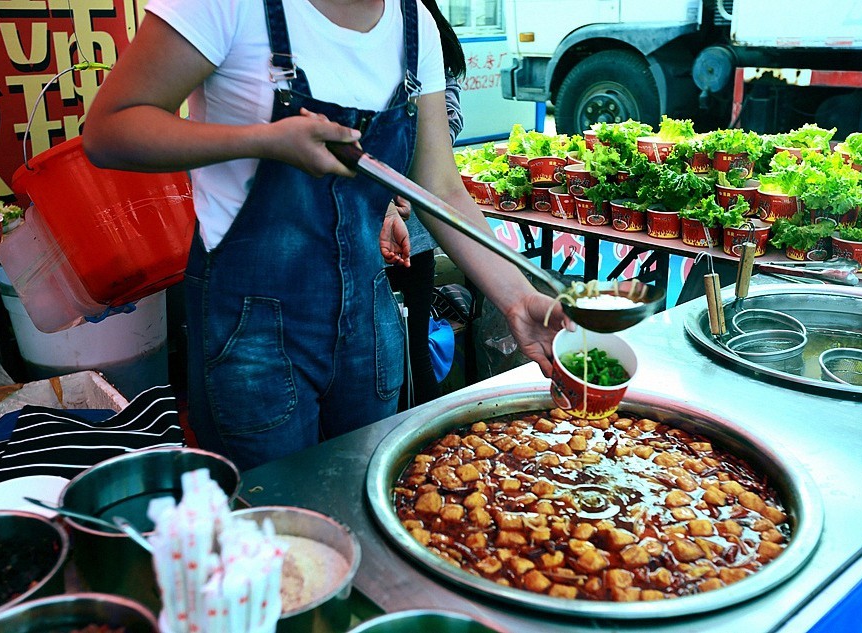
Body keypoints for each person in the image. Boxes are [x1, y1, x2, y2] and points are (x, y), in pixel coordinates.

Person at [83, 0, 564, 471]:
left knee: (363, 496)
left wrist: (518, 298)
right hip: (251, 330)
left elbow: (440, 188)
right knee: (271, 513)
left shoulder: (416, 22)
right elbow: (109, 130)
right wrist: (262, 140)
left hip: (369, 327)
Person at [384, 0, 465, 409]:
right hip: (357, 248)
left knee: (413, 349)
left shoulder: (423, 30)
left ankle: (416, 426)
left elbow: (446, 129)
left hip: (414, 234)